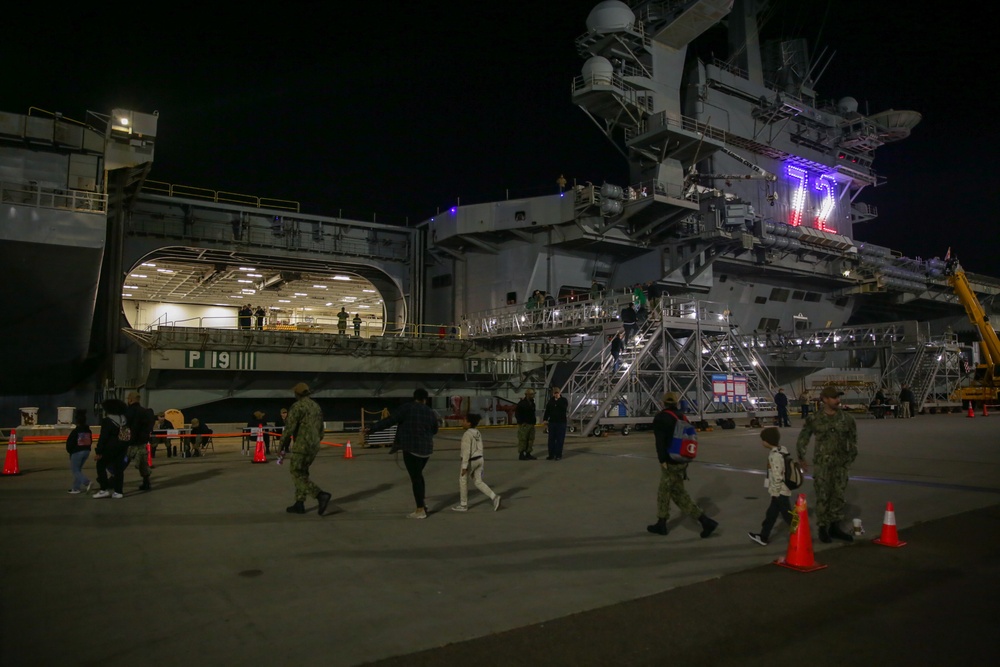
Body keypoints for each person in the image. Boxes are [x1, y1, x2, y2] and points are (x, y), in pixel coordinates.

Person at [646, 392, 718, 538]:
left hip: (670, 461)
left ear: (663, 403)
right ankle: (705, 521)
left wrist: (662, 460)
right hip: (682, 459)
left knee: (663, 493)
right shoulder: (681, 416)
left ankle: (662, 523)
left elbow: (659, 442)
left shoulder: (661, 417)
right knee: (679, 494)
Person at [796, 386, 858, 543]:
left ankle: (835, 527)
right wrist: (801, 456)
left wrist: (849, 459)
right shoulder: (815, 419)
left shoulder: (847, 419)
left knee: (838, 495)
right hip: (823, 464)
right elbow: (804, 437)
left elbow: (853, 440)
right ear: (824, 399)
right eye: (834, 398)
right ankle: (823, 527)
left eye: (838, 397)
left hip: (841, 465)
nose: (838, 400)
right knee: (823, 495)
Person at [366, 388, 439, 519]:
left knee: (415, 478)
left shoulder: (407, 408)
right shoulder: (430, 412)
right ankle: (422, 504)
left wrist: (372, 429)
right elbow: (435, 430)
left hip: (411, 449)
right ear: (425, 399)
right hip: (426, 451)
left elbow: (390, 420)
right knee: (418, 476)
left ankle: (420, 509)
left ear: (414, 397)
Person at [279, 383, 332, 516]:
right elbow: (321, 430)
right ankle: (299, 503)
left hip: (302, 445)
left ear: (297, 394)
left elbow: (289, 428)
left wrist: (281, 447)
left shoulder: (297, 406)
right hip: (314, 445)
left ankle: (320, 495)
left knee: (296, 472)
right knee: (303, 473)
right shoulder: (316, 407)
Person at [748, 427, 793, 545]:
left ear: (767, 441)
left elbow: (777, 476)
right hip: (778, 491)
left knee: (788, 516)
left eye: (763, 440)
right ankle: (763, 536)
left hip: (779, 492)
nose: (762, 442)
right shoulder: (781, 450)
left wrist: (776, 492)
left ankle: (801, 534)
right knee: (771, 515)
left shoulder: (775, 456)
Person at [451, 413, 501, 512]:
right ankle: (494, 497)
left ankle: (463, 504)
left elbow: (466, 451)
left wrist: (464, 466)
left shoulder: (467, 434)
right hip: (480, 459)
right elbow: (480, 446)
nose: (462, 422)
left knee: (463, 480)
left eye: (464, 420)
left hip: (471, 460)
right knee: (478, 481)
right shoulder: (477, 432)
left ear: (469, 423)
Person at [93, 398, 129, 499]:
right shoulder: (124, 419)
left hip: (109, 448)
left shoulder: (107, 421)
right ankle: (118, 492)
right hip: (122, 448)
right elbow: (126, 435)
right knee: (119, 469)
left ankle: (104, 489)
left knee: (100, 465)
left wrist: (99, 451)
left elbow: (103, 437)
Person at [124, 391, 154, 491]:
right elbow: (149, 426)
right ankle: (146, 483)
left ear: (130, 399)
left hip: (131, 443)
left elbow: (125, 427)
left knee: (123, 462)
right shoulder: (145, 412)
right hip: (142, 442)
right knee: (143, 464)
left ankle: (113, 480)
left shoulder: (128, 412)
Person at [65, 408, 93, 494]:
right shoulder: (88, 431)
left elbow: (70, 443)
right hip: (86, 451)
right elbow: (90, 441)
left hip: (77, 452)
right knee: (78, 470)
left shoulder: (75, 431)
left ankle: (87, 482)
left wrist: (70, 452)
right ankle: (76, 488)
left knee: (75, 470)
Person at [542, 386, 568, 460]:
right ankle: (551, 454)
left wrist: (558, 400)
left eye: (557, 393)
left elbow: (564, 408)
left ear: (559, 393)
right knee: (551, 439)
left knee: (560, 439)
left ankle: (558, 455)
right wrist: (545, 419)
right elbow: (547, 410)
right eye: (554, 393)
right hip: (552, 422)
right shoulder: (551, 401)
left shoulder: (563, 400)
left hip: (561, 422)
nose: (556, 394)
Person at [514, 388, 538, 461]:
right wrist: (521, 422)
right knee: (523, 439)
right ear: (527, 395)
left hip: (531, 424)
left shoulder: (532, 403)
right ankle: (521, 454)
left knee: (530, 439)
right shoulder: (522, 404)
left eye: (533, 394)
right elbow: (517, 414)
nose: (533, 395)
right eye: (531, 394)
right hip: (524, 424)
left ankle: (528, 453)